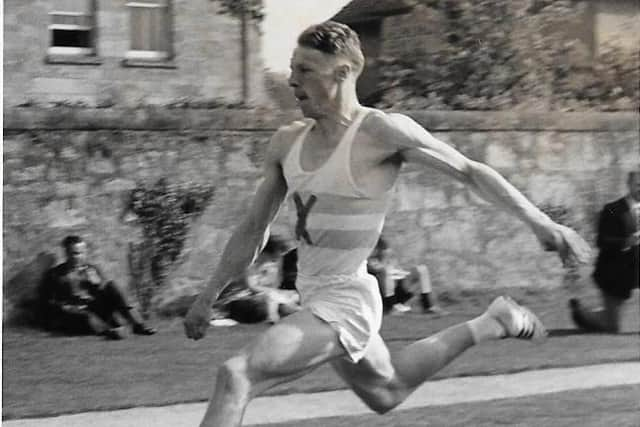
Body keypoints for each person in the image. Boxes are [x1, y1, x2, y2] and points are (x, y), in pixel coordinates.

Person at [184, 21, 591, 427]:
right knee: (387, 390)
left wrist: (542, 223)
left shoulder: (381, 132)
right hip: (313, 294)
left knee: (236, 375)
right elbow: (253, 229)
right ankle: (492, 322)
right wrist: (208, 296)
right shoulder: (286, 142)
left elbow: (470, 171)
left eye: (305, 69)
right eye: (292, 68)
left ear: (342, 73)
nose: (291, 80)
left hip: (347, 302)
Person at [41, 235, 156, 340]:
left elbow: (107, 294)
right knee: (85, 315)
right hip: (75, 315)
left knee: (112, 285)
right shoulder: (55, 274)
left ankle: (138, 325)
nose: (78, 257)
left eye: (81, 253)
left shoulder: (92, 269)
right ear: (66, 253)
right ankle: (110, 332)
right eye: (74, 253)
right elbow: (48, 302)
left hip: (96, 309)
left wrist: (97, 283)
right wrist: (68, 307)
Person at [570, 170, 639, 333]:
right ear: (629, 185)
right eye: (638, 185)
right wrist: (625, 242)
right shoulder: (613, 209)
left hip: (636, 269)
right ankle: (582, 313)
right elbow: (601, 242)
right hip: (614, 273)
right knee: (612, 326)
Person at [211, 236, 300, 325]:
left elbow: (272, 284)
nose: (273, 264)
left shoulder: (275, 264)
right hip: (241, 295)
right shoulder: (251, 266)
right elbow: (253, 285)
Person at [367, 236, 446, 315]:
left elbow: (395, 265)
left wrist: (400, 271)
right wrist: (384, 266)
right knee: (386, 272)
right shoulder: (366, 255)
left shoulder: (385, 251)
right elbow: (375, 269)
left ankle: (428, 306)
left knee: (422, 269)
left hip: (398, 287)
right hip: (383, 292)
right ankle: (391, 308)